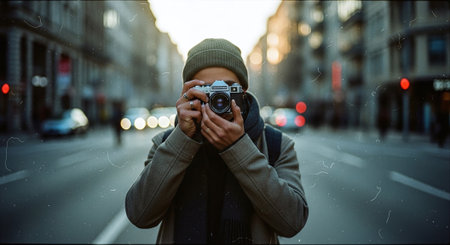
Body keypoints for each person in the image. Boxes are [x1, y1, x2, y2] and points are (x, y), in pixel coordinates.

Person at [125, 38, 308, 244]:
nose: (218, 98)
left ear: (243, 92)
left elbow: (292, 222)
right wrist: (183, 139)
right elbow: (139, 215)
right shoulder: (167, 143)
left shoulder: (276, 144)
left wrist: (238, 148)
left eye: (228, 89)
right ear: (188, 94)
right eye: (207, 90)